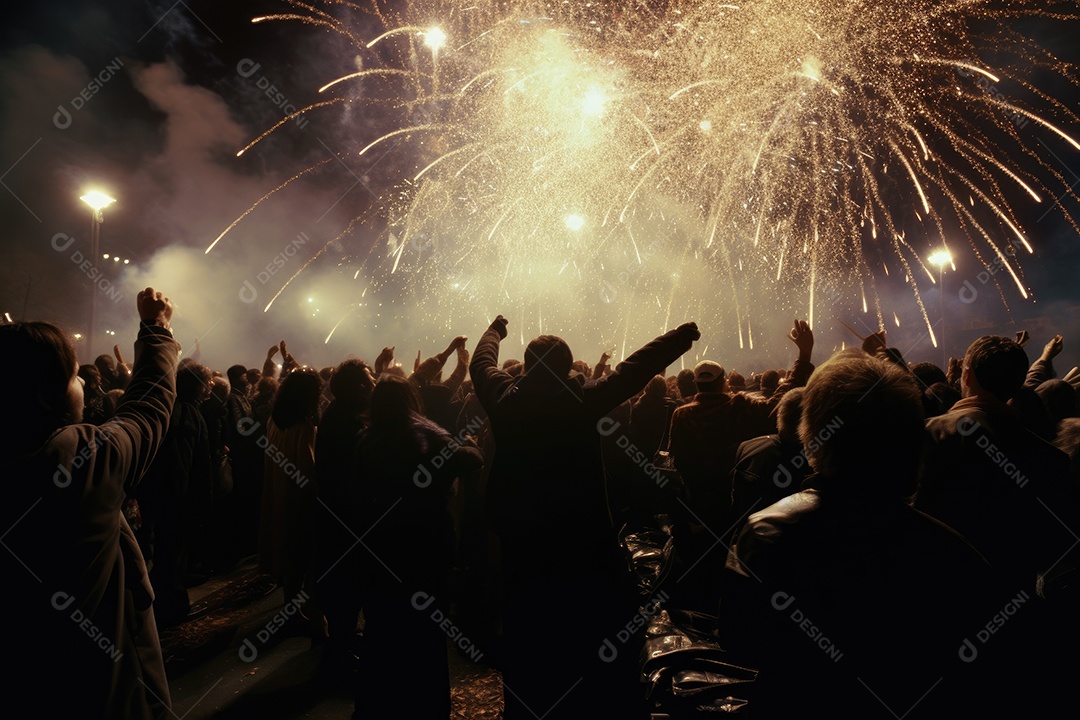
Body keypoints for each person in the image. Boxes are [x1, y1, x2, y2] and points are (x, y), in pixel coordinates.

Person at [723, 353, 1001, 718]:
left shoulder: (767, 532)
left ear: (814, 433)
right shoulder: (957, 555)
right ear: (911, 442)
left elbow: (739, 643)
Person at [470, 315, 700, 720]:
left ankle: (529, 705)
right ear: (566, 367)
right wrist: (677, 338)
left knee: (528, 630)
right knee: (586, 630)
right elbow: (635, 370)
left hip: (522, 539)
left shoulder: (504, 400)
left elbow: (481, 363)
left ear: (525, 367)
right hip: (583, 538)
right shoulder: (585, 398)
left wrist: (494, 331)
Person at [1, 287, 178, 719]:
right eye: (71, 376)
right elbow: (147, 408)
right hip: (103, 695)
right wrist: (156, 329)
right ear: (49, 395)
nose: (81, 381)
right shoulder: (77, 462)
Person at [353, 375, 483, 719]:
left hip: (380, 547)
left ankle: (376, 704)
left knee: (382, 629)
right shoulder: (424, 433)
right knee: (425, 632)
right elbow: (469, 460)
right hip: (424, 547)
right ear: (410, 399)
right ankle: (428, 707)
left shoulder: (367, 438)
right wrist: (469, 444)